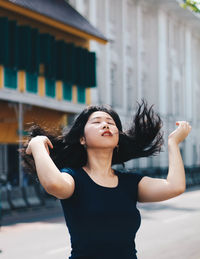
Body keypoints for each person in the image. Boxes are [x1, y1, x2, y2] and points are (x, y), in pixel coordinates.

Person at [21, 101, 191, 259]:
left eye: (111, 122)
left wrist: (173, 143)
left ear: (117, 140)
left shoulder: (130, 182)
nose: (105, 125)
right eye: (96, 122)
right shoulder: (74, 178)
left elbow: (175, 186)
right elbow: (53, 184)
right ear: (82, 139)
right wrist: (37, 145)